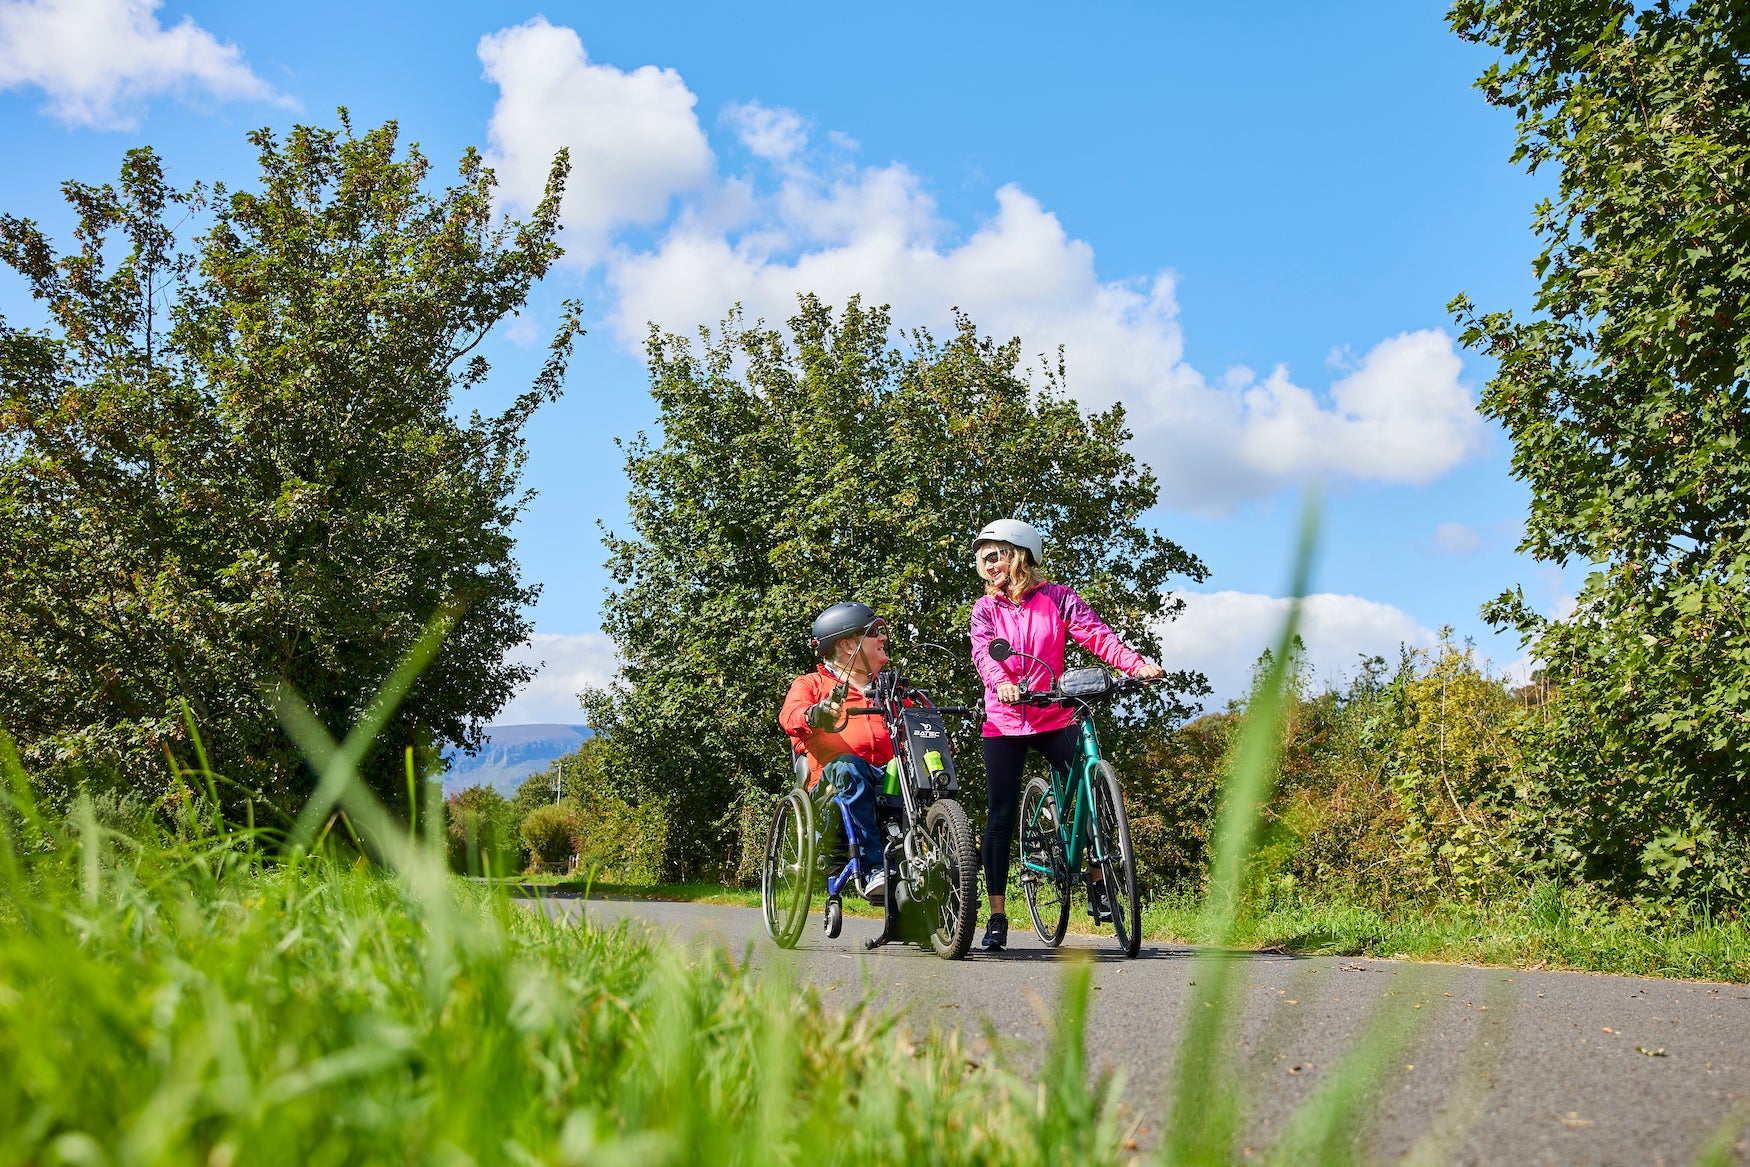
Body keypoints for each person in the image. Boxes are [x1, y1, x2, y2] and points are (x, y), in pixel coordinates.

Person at [968, 518, 1165, 951]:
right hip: (1005, 718)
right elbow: (984, 651)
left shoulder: (1058, 598)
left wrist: (1135, 665)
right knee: (999, 814)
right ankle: (997, 914)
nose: (987, 564)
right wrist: (1001, 680)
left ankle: (1099, 880)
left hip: (1054, 713)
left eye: (994, 554)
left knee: (1089, 787)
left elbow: (1096, 635)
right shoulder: (985, 610)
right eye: (982, 558)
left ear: (1020, 554)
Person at [779, 601, 894, 902]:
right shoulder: (812, 684)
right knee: (848, 767)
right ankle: (873, 870)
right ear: (847, 645)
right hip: (831, 787)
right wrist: (813, 713)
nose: (883, 638)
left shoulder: (889, 690)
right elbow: (789, 715)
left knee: (928, 773)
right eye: (873, 633)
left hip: (884, 779)